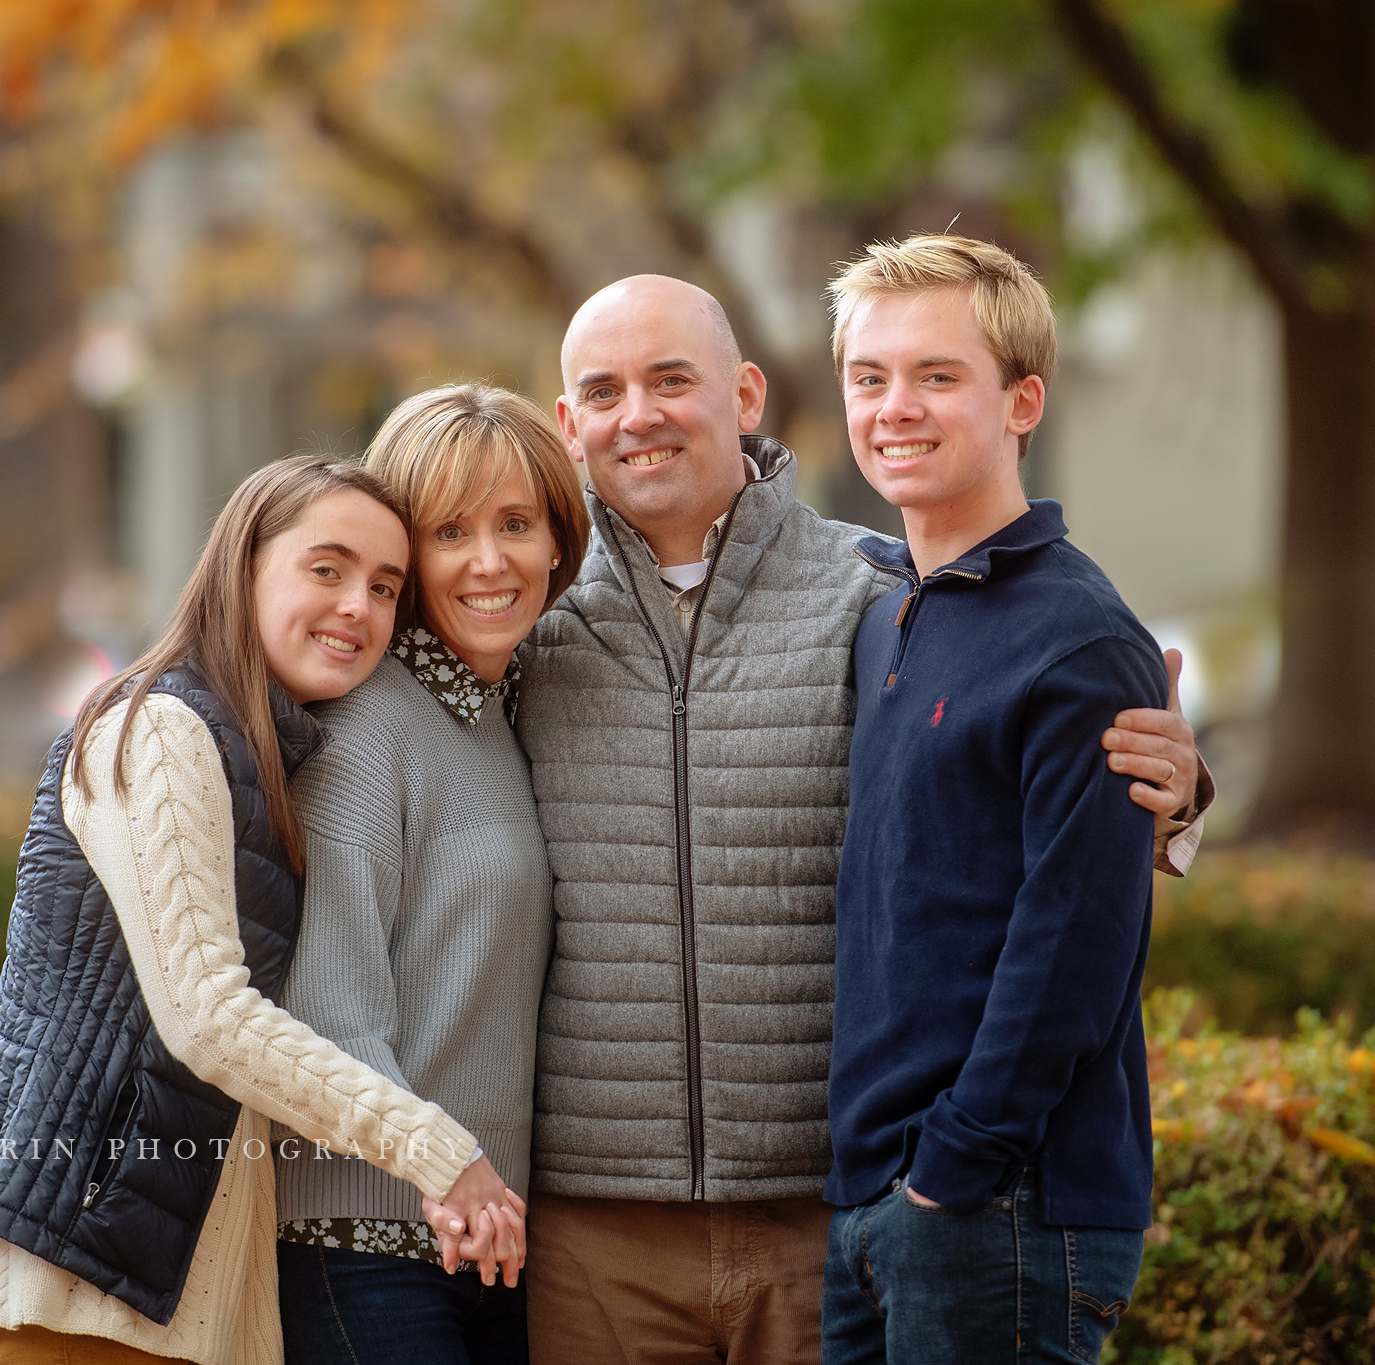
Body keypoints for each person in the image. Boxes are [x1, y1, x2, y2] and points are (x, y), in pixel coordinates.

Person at [513, 273, 1211, 1365]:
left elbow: (1020, 801)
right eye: (602, 390)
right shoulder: (522, 624)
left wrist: (1173, 801)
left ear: (744, 393)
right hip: (596, 1230)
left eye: (670, 379)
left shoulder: (875, 590)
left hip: (824, 1203)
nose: (636, 414)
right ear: (567, 423)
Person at [0, 456, 516, 1365]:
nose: (358, 607)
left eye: (385, 587)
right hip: (70, 1279)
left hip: (158, 1287)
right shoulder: (158, 729)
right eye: (327, 568)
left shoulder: (264, 756)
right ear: (245, 567)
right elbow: (210, 1017)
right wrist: (437, 1150)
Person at [819, 235, 1160, 1363]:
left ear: (1021, 401)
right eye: (869, 378)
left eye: (934, 376)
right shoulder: (887, 617)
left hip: (993, 1206)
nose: (893, 408)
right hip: (881, 1201)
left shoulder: (1076, 636)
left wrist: (955, 1169)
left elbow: (1077, 936)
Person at [268, 385, 589, 1365]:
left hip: (481, 1236)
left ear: (558, 545)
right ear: (406, 560)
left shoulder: (498, 713)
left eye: (516, 524)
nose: (489, 563)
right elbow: (328, 1010)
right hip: (361, 1241)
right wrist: (448, 1174)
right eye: (450, 532)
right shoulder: (370, 726)